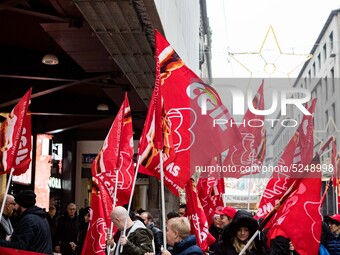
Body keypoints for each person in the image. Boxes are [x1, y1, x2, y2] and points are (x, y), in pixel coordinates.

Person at [0, 190, 53, 254]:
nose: (14, 207)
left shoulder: (29, 220)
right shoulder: (41, 217)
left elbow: (20, 246)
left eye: (16, 204)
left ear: (21, 204)